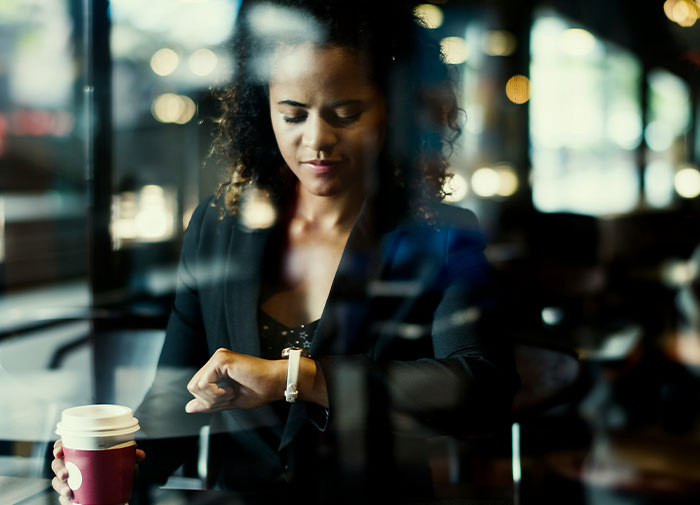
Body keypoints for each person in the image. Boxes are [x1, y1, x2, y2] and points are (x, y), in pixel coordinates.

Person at [51, 1, 519, 503]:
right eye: (292, 115)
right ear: (262, 111)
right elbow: (178, 394)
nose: (316, 139)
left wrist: (295, 378)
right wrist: (116, 462)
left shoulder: (441, 236)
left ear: (396, 112)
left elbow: (482, 388)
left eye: (347, 114)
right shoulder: (219, 226)